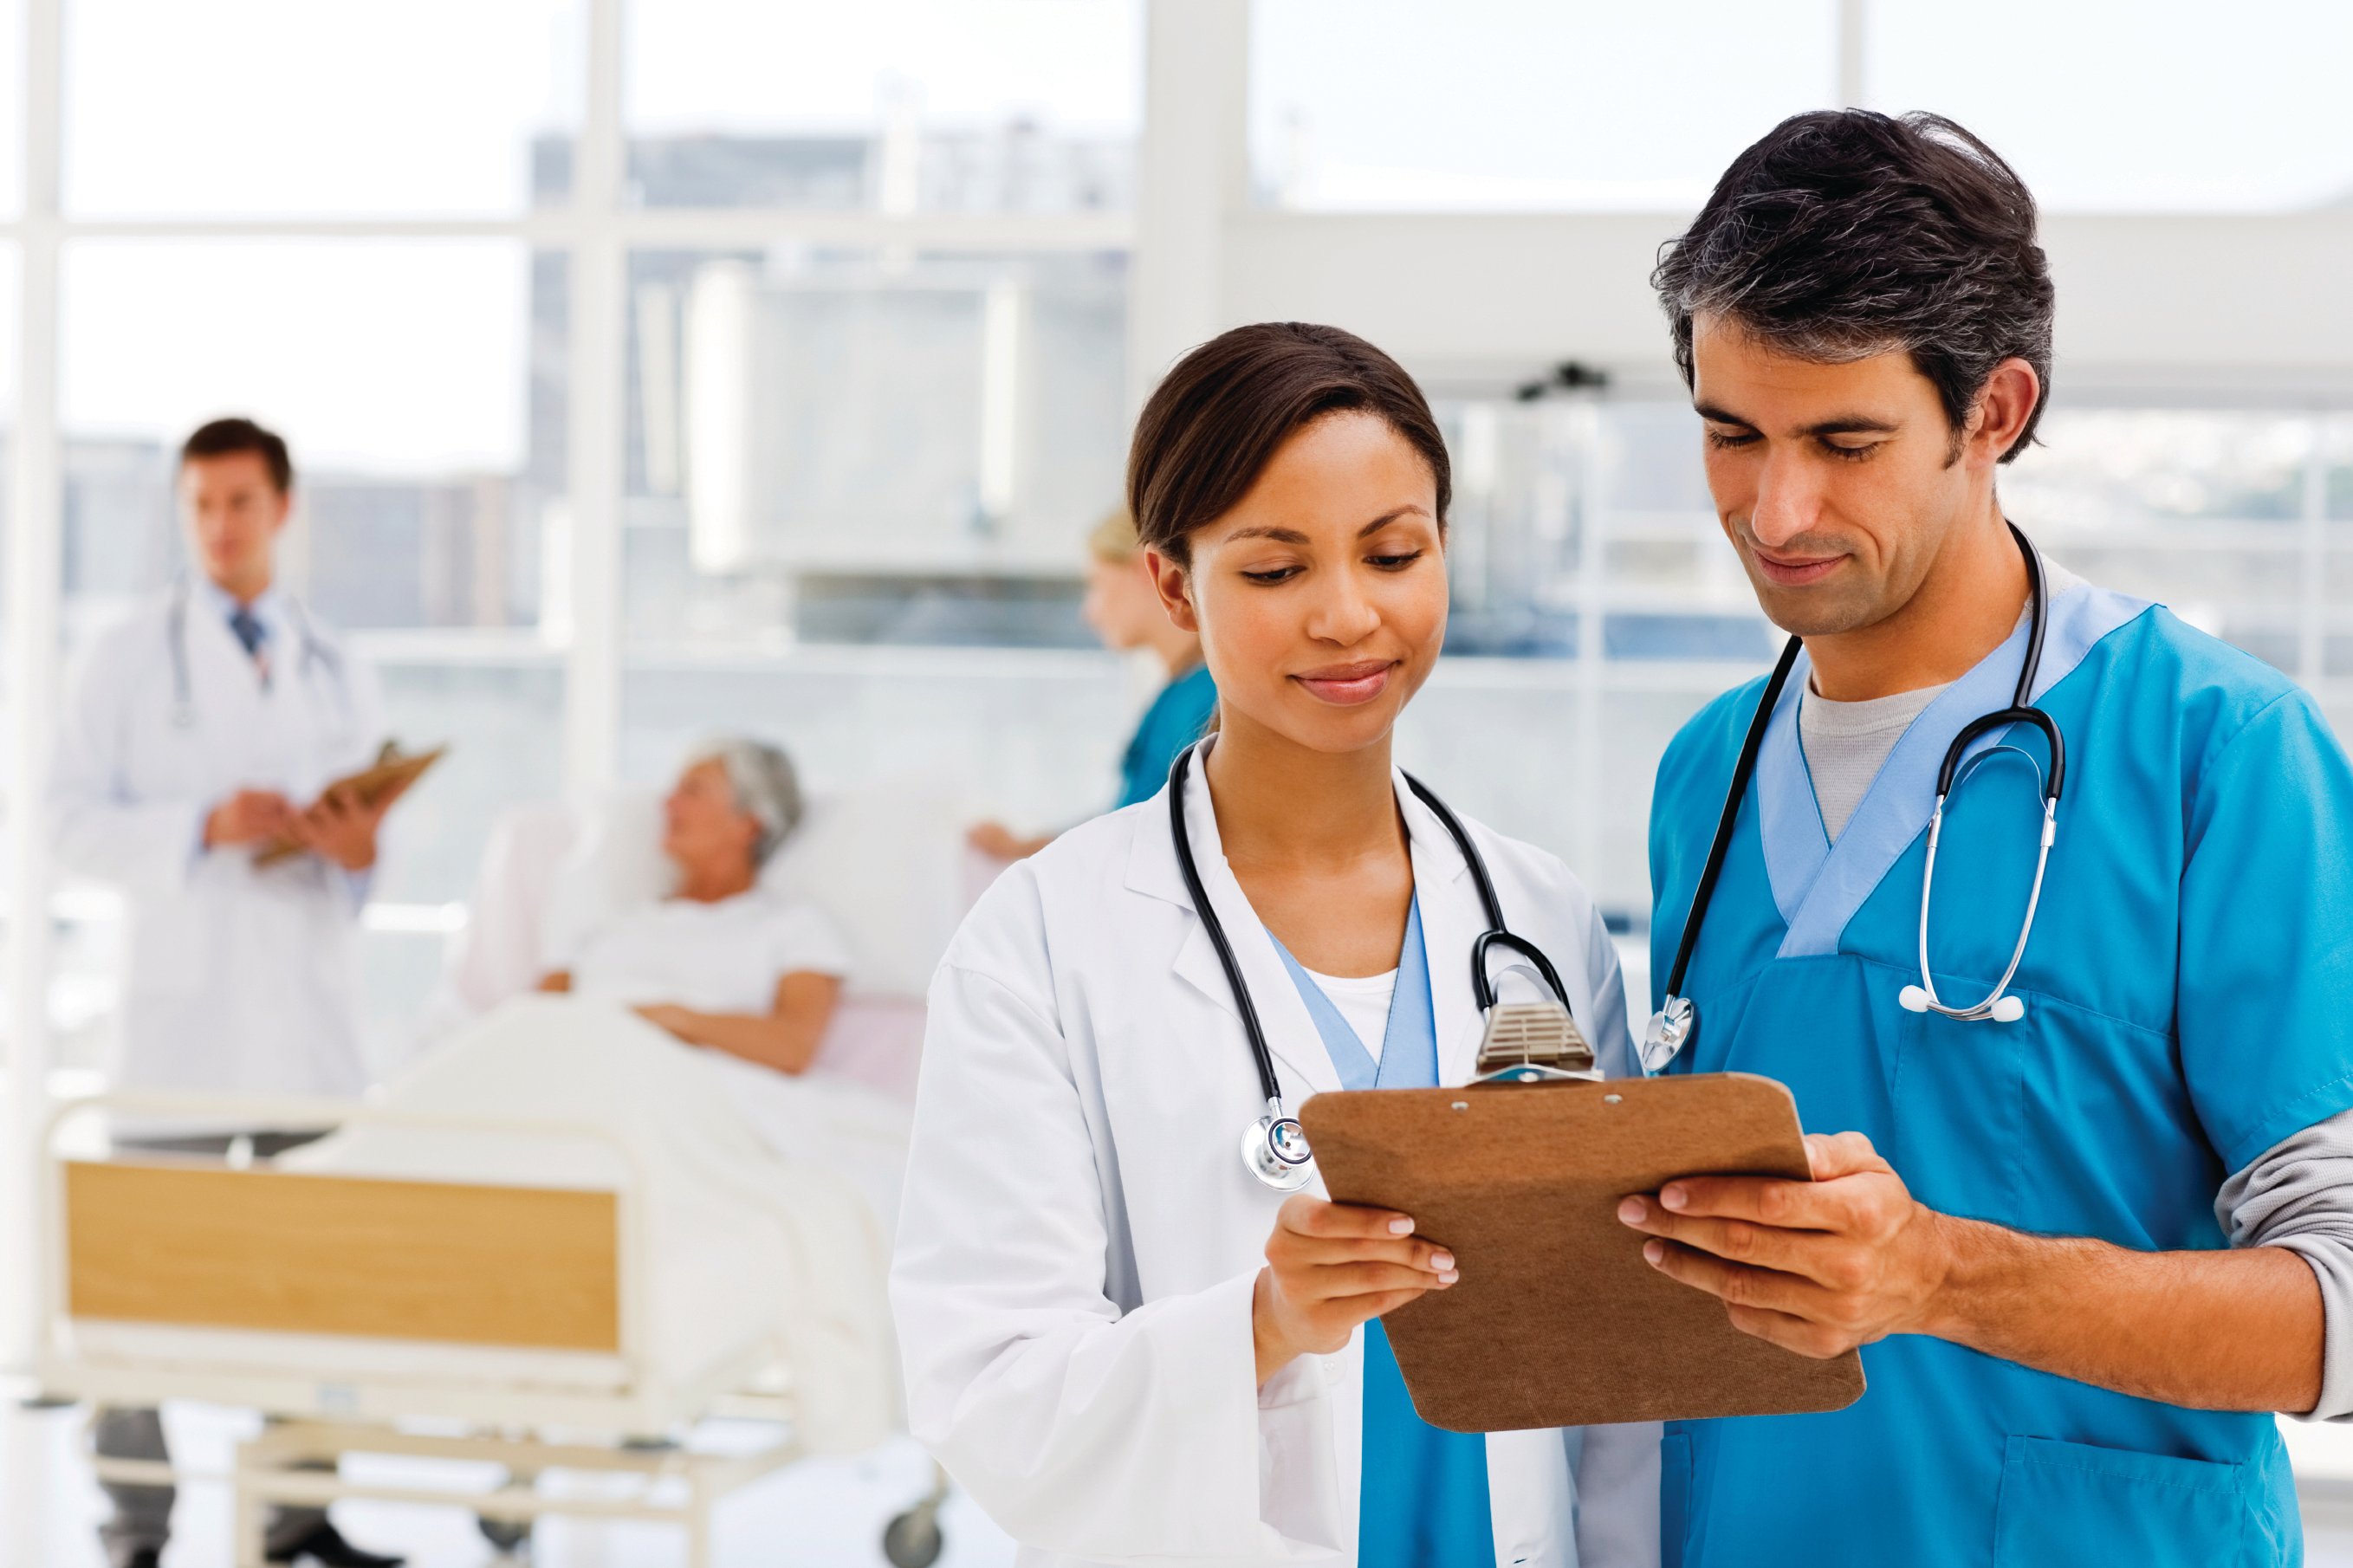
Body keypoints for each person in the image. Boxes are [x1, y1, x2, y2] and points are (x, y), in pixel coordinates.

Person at [1623, 110, 2353, 1565]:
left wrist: (1939, 1276)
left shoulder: (2216, 751)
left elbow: (2338, 1305)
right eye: (1730, 433)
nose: (1775, 510)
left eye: (1845, 441)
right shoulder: (1706, 773)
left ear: (1995, 411)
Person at [893, 322, 1657, 1567]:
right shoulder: (1043, 943)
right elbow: (987, 1390)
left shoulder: (1540, 921)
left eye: (1394, 552)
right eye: (1273, 570)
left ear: (1443, 552)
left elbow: (1617, 1364)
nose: (1349, 615)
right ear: (1172, 586)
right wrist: (1261, 1319)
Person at [50, 417, 403, 1568]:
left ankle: (299, 1509)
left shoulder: (334, 660)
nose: (218, 526)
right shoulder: (121, 656)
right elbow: (63, 825)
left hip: (305, 1028)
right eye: (199, 505)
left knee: (311, 1282)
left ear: (283, 510)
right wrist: (201, 826)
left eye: (240, 503)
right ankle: (136, 1521)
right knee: (142, 1279)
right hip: (177, 1027)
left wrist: (350, 849)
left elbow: (373, 837)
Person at [540, 737, 851, 1075]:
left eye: (693, 791)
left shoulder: (794, 927)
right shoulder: (616, 919)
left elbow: (793, 1048)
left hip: (681, 1086)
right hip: (571, 1070)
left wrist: (664, 1019)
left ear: (751, 822)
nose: (668, 803)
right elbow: (532, 1016)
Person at [966, 508, 1218, 859]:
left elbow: (1149, 844)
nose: (1090, 612)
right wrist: (1027, 850)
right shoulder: (1182, 693)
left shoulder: (1202, 701)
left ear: (1147, 571)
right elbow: (1132, 821)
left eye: (1096, 584)